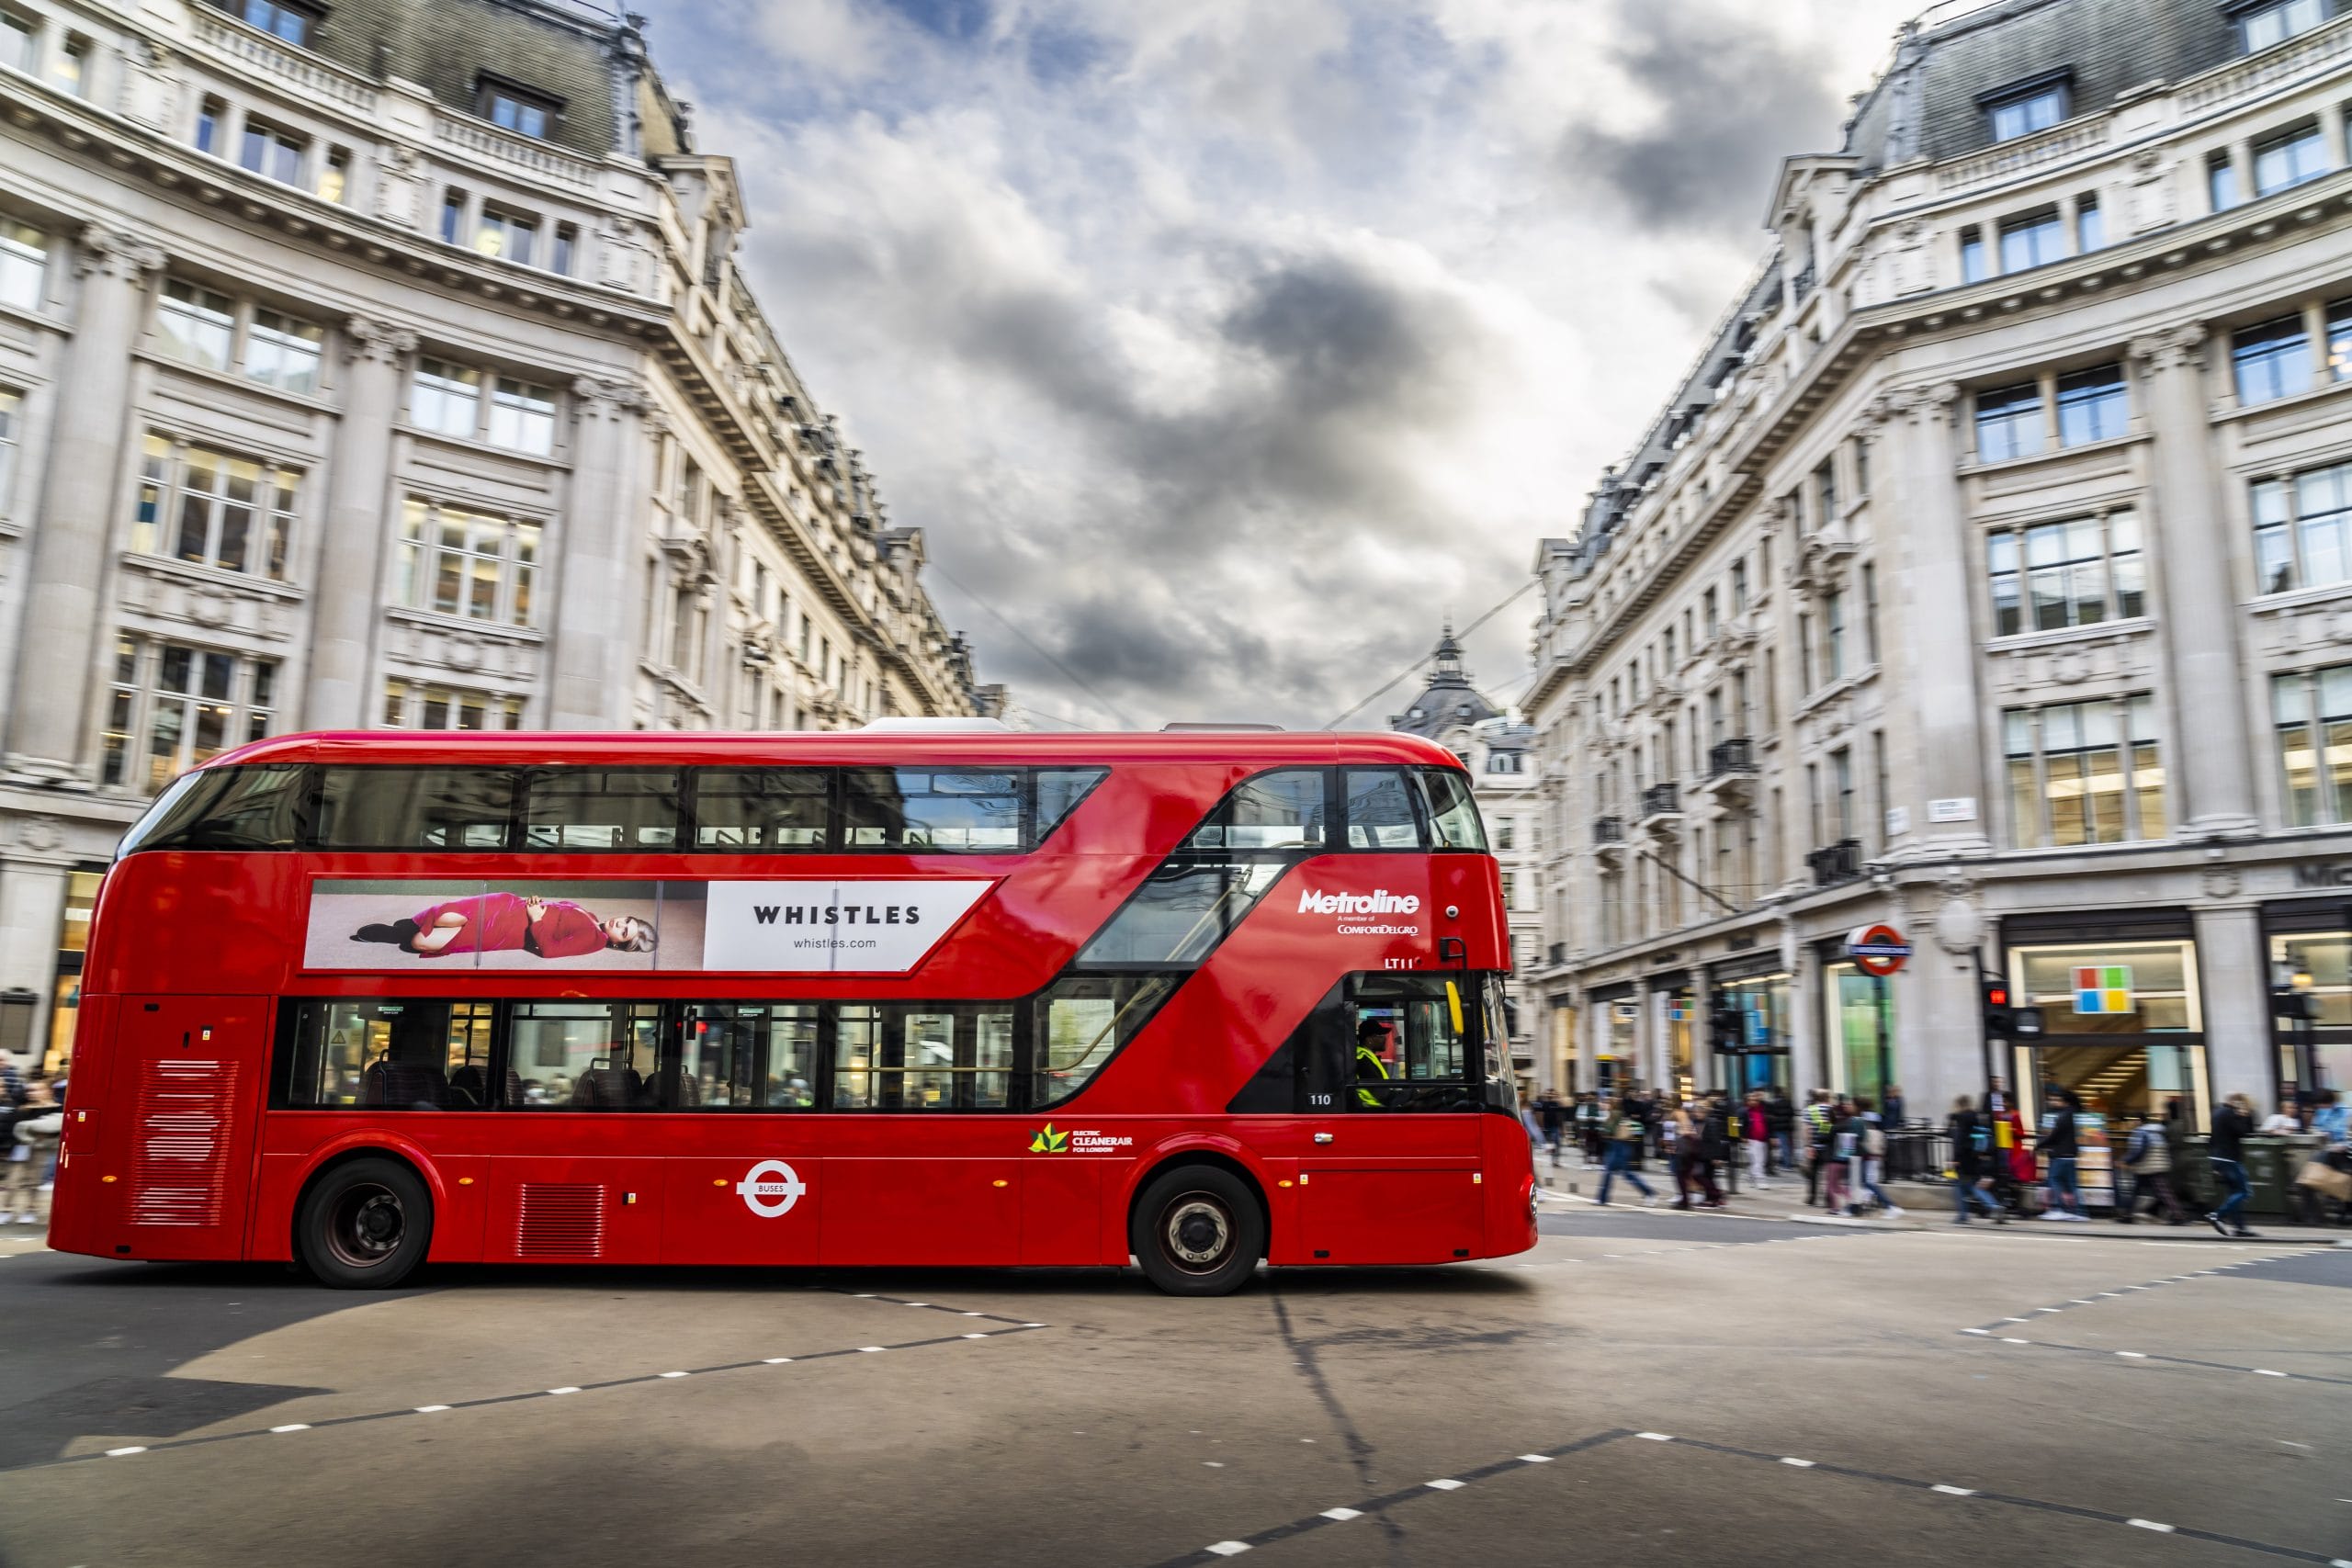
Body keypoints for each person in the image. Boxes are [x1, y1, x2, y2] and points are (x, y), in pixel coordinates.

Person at [353, 891, 656, 959]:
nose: (620, 923)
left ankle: (405, 931)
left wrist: (537, 919)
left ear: (618, 943)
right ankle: (406, 927)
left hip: (508, 930)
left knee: (419, 943)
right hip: (509, 905)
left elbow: (549, 951)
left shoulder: (593, 940)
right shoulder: (594, 919)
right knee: (449, 914)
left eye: (624, 930)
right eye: (627, 920)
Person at [5, 1076, 59, 1225]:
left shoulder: (55, 1107)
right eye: (29, 1090)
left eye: (36, 1090)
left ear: (47, 1091)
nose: (31, 1093)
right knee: (13, 1181)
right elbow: (13, 1127)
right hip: (20, 1148)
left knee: (33, 1181)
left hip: (41, 1150)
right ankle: (6, 1210)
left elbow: (54, 1129)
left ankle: (30, 1210)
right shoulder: (22, 1108)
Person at [2206, 1092, 2260, 1237]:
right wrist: (2245, 1116)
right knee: (2244, 1191)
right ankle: (2217, 1215)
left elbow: (2212, 1138)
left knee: (2233, 1193)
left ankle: (2240, 1228)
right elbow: (2244, 1132)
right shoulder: (2230, 1114)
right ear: (2238, 1103)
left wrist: (2214, 1163)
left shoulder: (2217, 1113)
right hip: (2229, 1158)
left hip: (2218, 1158)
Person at [2120, 1110, 2186, 1225]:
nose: (2131, 1123)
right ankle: (2128, 1215)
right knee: (2139, 1190)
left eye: (2133, 1121)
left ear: (2139, 1121)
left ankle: (2178, 1216)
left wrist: (2126, 1161)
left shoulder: (2141, 1132)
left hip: (2150, 1166)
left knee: (2163, 1192)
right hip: (2153, 1164)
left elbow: (2139, 1150)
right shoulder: (2156, 1131)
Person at [1948, 1096, 2002, 1224]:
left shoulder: (1962, 1118)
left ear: (1959, 1105)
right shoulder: (1977, 1116)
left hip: (1964, 1158)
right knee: (1963, 1186)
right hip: (1976, 1156)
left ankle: (1992, 1207)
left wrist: (1956, 1159)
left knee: (1970, 1186)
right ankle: (1964, 1215)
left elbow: (1960, 1140)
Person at [1597, 1098, 1657, 1207]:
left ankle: (1649, 1193)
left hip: (1618, 1146)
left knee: (1618, 1173)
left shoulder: (1614, 1115)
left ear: (1611, 1105)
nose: (1602, 1105)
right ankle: (1602, 1198)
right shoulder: (1616, 1114)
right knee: (1618, 1173)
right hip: (1618, 1146)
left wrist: (1604, 1128)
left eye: (1606, 1103)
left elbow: (1608, 1130)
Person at [2037, 1089, 2086, 1221]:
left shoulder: (2064, 1115)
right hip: (2069, 1154)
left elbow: (2055, 1135)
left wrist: (2039, 1145)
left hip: (2061, 1154)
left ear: (2065, 1102)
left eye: (2056, 1100)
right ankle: (2078, 1212)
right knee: (2071, 1184)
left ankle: (2060, 1209)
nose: (2052, 1102)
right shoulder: (2071, 1113)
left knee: (2055, 1179)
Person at [1853, 1096, 1903, 1217]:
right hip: (1876, 1151)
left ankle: (1888, 1205)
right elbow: (1883, 1129)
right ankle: (1865, 1204)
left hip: (1865, 1152)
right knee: (1869, 1179)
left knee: (1866, 1181)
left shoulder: (1859, 1118)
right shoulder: (1877, 1116)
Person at [1353, 1019, 1394, 1108]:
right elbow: (1381, 1094)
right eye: (1380, 1035)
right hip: (1373, 1110)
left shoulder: (1367, 1056)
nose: (1385, 1038)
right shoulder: (1362, 1058)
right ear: (1369, 1040)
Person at [1743, 1092, 1772, 1188]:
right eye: (1751, 1100)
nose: (1753, 1102)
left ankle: (1751, 1176)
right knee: (1758, 1161)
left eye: (1755, 1100)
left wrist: (1772, 1137)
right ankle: (1760, 1180)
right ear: (1747, 1101)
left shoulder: (1763, 1110)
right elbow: (1737, 1124)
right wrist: (1741, 1137)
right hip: (1751, 1140)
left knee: (1761, 1161)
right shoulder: (1744, 1112)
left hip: (1763, 1139)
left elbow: (1769, 1124)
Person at [1767, 1089, 1796, 1176]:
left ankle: (1783, 1164)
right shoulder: (1788, 1103)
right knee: (1785, 1146)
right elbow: (1792, 1114)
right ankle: (1786, 1163)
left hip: (1777, 1127)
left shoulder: (1773, 1104)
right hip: (1786, 1127)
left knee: (1776, 1146)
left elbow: (1771, 1116)